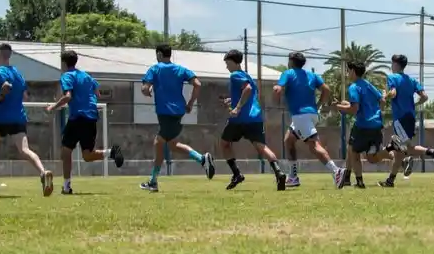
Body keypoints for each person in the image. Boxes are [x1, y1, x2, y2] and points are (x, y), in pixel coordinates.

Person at [45, 50, 124, 194]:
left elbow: (67, 96)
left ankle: (67, 186)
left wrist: (53, 106)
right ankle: (111, 152)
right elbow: (97, 93)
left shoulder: (67, 76)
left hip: (78, 117)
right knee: (87, 155)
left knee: (66, 150)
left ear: (63, 63)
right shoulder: (86, 76)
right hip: (91, 117)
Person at [139, 44, 215, 192]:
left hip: (165, 112)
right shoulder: (181, 69)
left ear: (160, 54)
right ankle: (201, 159)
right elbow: (197, 84)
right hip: (178, 110)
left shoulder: (155, 69)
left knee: (158, 143)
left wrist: (146, 91)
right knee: (172, 144)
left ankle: (154, 181)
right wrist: (191, 103)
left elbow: (144, 88)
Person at [0, 43, 54, 195]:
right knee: (25, 150)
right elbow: (25, 95)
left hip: (1, 118)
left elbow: (6, 87)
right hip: (19, 117)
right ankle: (43, 172)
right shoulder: (18, 73)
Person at [273, 51, 346, 189]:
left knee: (314, 146)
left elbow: (279, 88)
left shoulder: (288, 73)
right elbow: (326, 89)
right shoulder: (312, 75)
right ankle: (293, 177)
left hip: (301, 116)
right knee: (289, 140)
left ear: (291, 62)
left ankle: (336, 171)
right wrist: (319, 105)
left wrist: (277, 91)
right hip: (311, 115)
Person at [219, 49, 287, 191]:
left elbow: (247, 89)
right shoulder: (247, 76)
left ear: (234, 62)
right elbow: (248, 94)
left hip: (240, 119)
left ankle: (237, 174)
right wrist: (232, 101)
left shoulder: (235, 75)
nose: (226, 66)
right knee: (261, 147)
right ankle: (279, 172)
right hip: (255, 117)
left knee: (224, 143)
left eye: (227, 63)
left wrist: (237, 108)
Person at [334, 60, 399, 189]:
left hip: (363, 126)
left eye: (348, 71)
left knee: (353, 152)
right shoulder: (368, 85)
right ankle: (391, 148)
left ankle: (359, 182)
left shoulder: (354, 87)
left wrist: (337, 106)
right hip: (376, 125)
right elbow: (381, 99)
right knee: (372, 158)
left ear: (353, 71)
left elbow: (354, 109)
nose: (347, 73)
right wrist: (377, 112)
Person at [385, 54, 434, 182]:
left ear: (396, 65)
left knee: (404, 148)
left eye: (392, 63)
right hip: (411, 117)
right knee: (399, 149)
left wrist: (386, 95)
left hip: (400, 119)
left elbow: (393, 93)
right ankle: (390, 180)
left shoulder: (392, 78)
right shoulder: (412, 81)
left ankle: (433, 152)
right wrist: (415, 104)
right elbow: (424, 97)